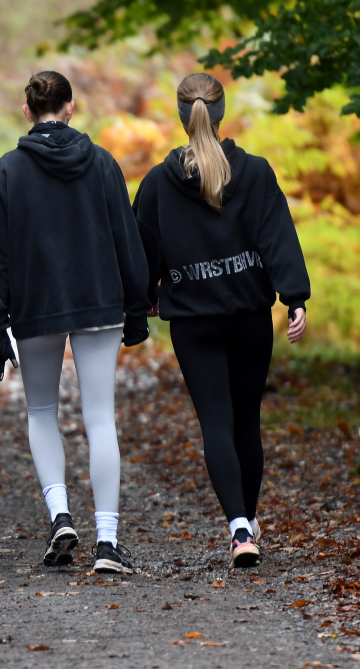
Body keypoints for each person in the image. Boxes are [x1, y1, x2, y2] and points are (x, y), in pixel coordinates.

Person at [134, 73, 310, 568]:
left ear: (181, 115)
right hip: (250, 315)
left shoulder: (157, 183)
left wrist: (147, 296)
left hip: (194, 323)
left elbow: (141, 249)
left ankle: (238, 528)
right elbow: (278, 236)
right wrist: (295, 298)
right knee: (246, 423)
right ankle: (248, 523)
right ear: (221, 112)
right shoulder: (254, 172)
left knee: (216, 421)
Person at [0, 72, 152, 575]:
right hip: (98, 300)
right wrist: (137, 307)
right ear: (71, 107)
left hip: (36, 305)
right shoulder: (102, 163)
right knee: (101, 417)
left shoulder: (7, 170)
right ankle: (107, 543)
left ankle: (60, 515)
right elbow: (126, 237)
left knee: (41, 411)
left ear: (28, 111)